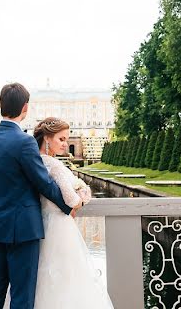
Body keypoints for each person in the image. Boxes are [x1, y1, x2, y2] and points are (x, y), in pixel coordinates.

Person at [0, 83, 77, 309]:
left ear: (0, 106)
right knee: (22, 296)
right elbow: (43, 182)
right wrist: (68, 205)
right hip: (23, 230)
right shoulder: (24, 142)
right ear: (25, 107)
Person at [23, 116, 115, 309]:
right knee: (68, 278)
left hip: (39, 224)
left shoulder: (34, 162)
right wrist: (82, 195)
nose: (65, 144)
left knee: (41, 277)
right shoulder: (54, 165)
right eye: (61, 139)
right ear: (47, 139)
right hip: (59, 227)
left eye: (67, 139)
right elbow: (71, 199)